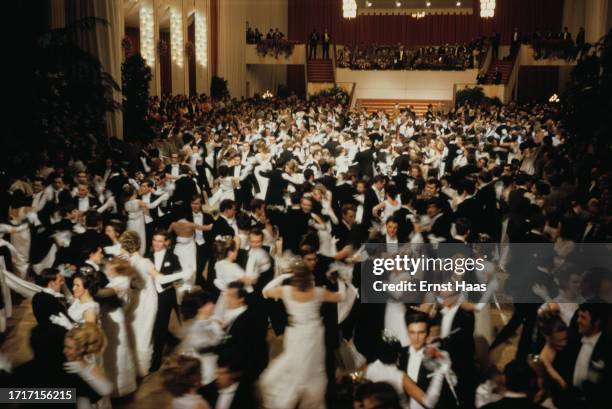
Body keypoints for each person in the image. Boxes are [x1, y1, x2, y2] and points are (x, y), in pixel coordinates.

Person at [259, 264, 345, 408]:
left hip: (295, 332)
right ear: (310, 277)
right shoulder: (318, 292)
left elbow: (265, 291)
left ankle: (291, 395)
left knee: (293, 362)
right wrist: (341, 281)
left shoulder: (286, 291)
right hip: (314, 333)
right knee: (314, 367)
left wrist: (282, 276)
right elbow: (341, 297)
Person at [177, 289, 224, 386]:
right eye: (209, 303)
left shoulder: (210, 322)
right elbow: (211, 345)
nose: (213, 305)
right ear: (200, 308)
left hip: (212, 369)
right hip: (205, 373)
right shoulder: (196, 328)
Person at [63, 323, 113, 409]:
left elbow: (107, 388)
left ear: (81, 349)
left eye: (69, 348)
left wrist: (84, 371)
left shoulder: (89, 366)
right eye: (65, 346)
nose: (64, 350)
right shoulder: (69, 363)